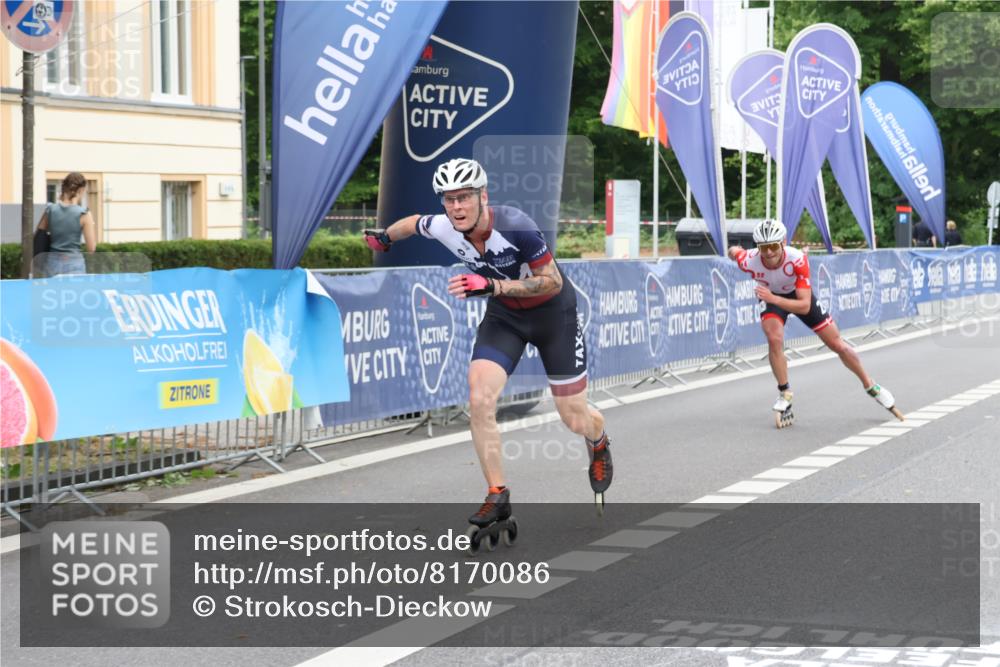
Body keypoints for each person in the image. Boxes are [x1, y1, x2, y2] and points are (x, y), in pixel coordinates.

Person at [363, 158, 613, 533]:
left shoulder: (516, 226)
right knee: (479, 398)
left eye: (464, 197)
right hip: (505, 318)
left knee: (573, 416)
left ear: (483, 196)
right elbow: (413, 223)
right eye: (448, 199)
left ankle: (599, 441)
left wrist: (491, 286)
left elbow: (552, 282)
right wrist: (385, 237)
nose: (456, 207)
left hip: (552, 315)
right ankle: (497, 494)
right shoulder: (444, 225)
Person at [728, 220, 903, 428]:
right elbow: (735, 252)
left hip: (796, 297)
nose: (769, 253)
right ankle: (785, 392)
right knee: (774, 338)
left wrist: (773, 299)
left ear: (784, 242)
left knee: (837, 344)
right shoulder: (748, 260)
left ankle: (870, 385)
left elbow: (803, 305)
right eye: (764, 248)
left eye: (774, 246)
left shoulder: (798, 260)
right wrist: (731, 250)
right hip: (770, 297)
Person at [35, 172, 96, 277]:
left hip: (52, 262)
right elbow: (91, 248)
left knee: (53, 292)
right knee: (75, 292)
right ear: (80, 190)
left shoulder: (50, 210)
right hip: (74, 263)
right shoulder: (84, 214)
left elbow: (39, 235)